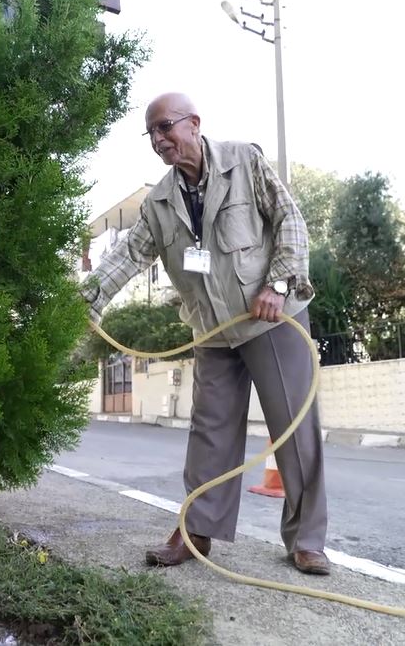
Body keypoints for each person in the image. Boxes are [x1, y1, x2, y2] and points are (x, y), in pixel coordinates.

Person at [80, 92, 331, 575]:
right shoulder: (157, 203)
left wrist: (279, 283)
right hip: (213, 329)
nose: (159, 140)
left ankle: (306, 540)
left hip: (271, 318)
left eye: (166, 127)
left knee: (294, 430)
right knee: (209, 432)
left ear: (194, 123)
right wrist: (87, 301)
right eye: (151, 132)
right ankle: (196, 532)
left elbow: (291, 223)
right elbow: (128, 256)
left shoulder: (245, 161)